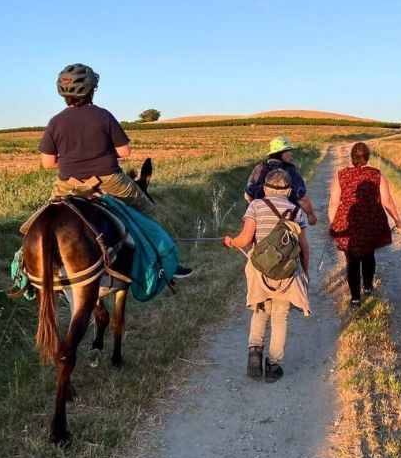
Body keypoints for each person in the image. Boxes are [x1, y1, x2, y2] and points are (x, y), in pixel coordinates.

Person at [38, 63, 192, 278]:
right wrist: (102, 154)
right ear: (92, 90)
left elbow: (47, 162)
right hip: (110, 181)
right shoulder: (103, 116)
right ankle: (167, 263)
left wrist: (73, 160)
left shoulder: (55, 122)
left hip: (69, 184)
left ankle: (24, 271)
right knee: (147, 212)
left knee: (42, 220)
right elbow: (125, 151)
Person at [223, 169, 310, 382]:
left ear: (264, 189)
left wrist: (230, 242)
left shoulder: (255, 206)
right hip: (286, 273)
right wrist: (305, 275)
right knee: (280, 317)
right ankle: (273, 366)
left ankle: (254, 352)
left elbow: (244, 240)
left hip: (259, 270)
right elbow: (304, 248)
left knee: (260, 310)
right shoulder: (296, 212)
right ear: (289, 190)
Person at [328, 142, 401, 305]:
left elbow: (334, 203)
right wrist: (397, 220)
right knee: (369, 254)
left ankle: (355, 298)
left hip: (348, 221)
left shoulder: (340, 175)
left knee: (352, 260)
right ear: (367, 157)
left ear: (352, 157)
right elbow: (387, 201)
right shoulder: (377, 175)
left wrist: (333, 224)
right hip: (372, 222)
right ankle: (368, 287)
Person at [244, 136, 318, 225]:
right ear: (281, 153)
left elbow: (248, 195)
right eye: (289, 150)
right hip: (286, 219)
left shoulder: (259, 168)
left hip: (260, 220)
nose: (291, 153)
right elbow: (301, 197)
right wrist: (311, 215)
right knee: (296, 238)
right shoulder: (290, 171)